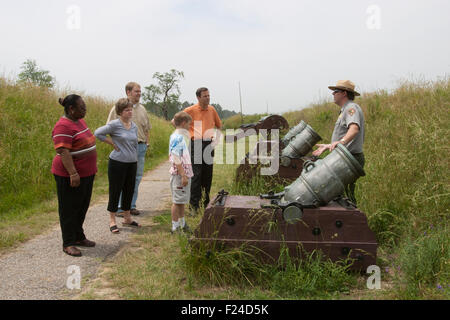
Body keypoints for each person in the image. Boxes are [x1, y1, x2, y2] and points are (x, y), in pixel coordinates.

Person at [52, 95, 97, 257]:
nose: (85, 110)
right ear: (71, 109)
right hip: (70, 175)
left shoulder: (79, 121)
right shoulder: (62, 126)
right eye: (82, 107)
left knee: (81, 207)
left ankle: (79, 236)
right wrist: (73, 173)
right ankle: (68, 242)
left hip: (87, 174)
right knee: (69, 209)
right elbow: (63, 151)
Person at [312, 80, 365, 205]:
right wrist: (329, 146)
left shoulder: (351, 108)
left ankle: (352, 220)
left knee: (345, 196)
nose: (333, 94)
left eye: (335, 91)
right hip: (344, 158)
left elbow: (354, 129)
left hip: (350, 159)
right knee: (339, 194)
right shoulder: (344, 110)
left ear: (344, 93)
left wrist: (341, 142)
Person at [95, 98, 141, 234]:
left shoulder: (133, 126)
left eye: (131, 109)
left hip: (131, 163)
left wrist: (136, 158)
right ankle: (112, 220)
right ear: (120, 112)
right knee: (115, 190)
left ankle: (127, 218)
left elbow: (135, 143)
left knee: (129, 189)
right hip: (117, 163)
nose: (130, 112)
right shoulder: (114, 124)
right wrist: (112, 143)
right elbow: (98, 133)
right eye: (127, 110)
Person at [107, 82, 151, 216]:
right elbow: (109, 127)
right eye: (136, 91)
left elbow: (147, 128)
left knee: (136, 178)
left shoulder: (142, 109)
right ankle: (120, 207)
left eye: (140, 91)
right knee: (122, 178)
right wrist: (116, 143)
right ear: (128, 92)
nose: (139, 94)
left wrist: (147, 143)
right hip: (124, 148)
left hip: (140, 146)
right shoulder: (117, 109)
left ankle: (131, 205)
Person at [182, 88, 222, 213]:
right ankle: (194, 207)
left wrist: (217, 140)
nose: (208, 98)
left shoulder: (212, 109)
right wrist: (188, 132)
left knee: (207, 175)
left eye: (209, 95)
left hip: (209, 144)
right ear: (198, 97)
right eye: (205, 96)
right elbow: (175, 121)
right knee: (197, 176)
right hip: (197, 143)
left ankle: (206, 204)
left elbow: (219, 126)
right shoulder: (190, 110)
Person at [169, 112, 194, 233]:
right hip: (180, 174)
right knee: (177, 202)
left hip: (183, 173)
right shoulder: (178, 137)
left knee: (182, 201)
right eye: (189, 123)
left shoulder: (179, 134)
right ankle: (175, 226)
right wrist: (183, 175)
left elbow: (174, 122)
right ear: (183, 123)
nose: (190, 126)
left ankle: (183, 224)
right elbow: (175, 156)